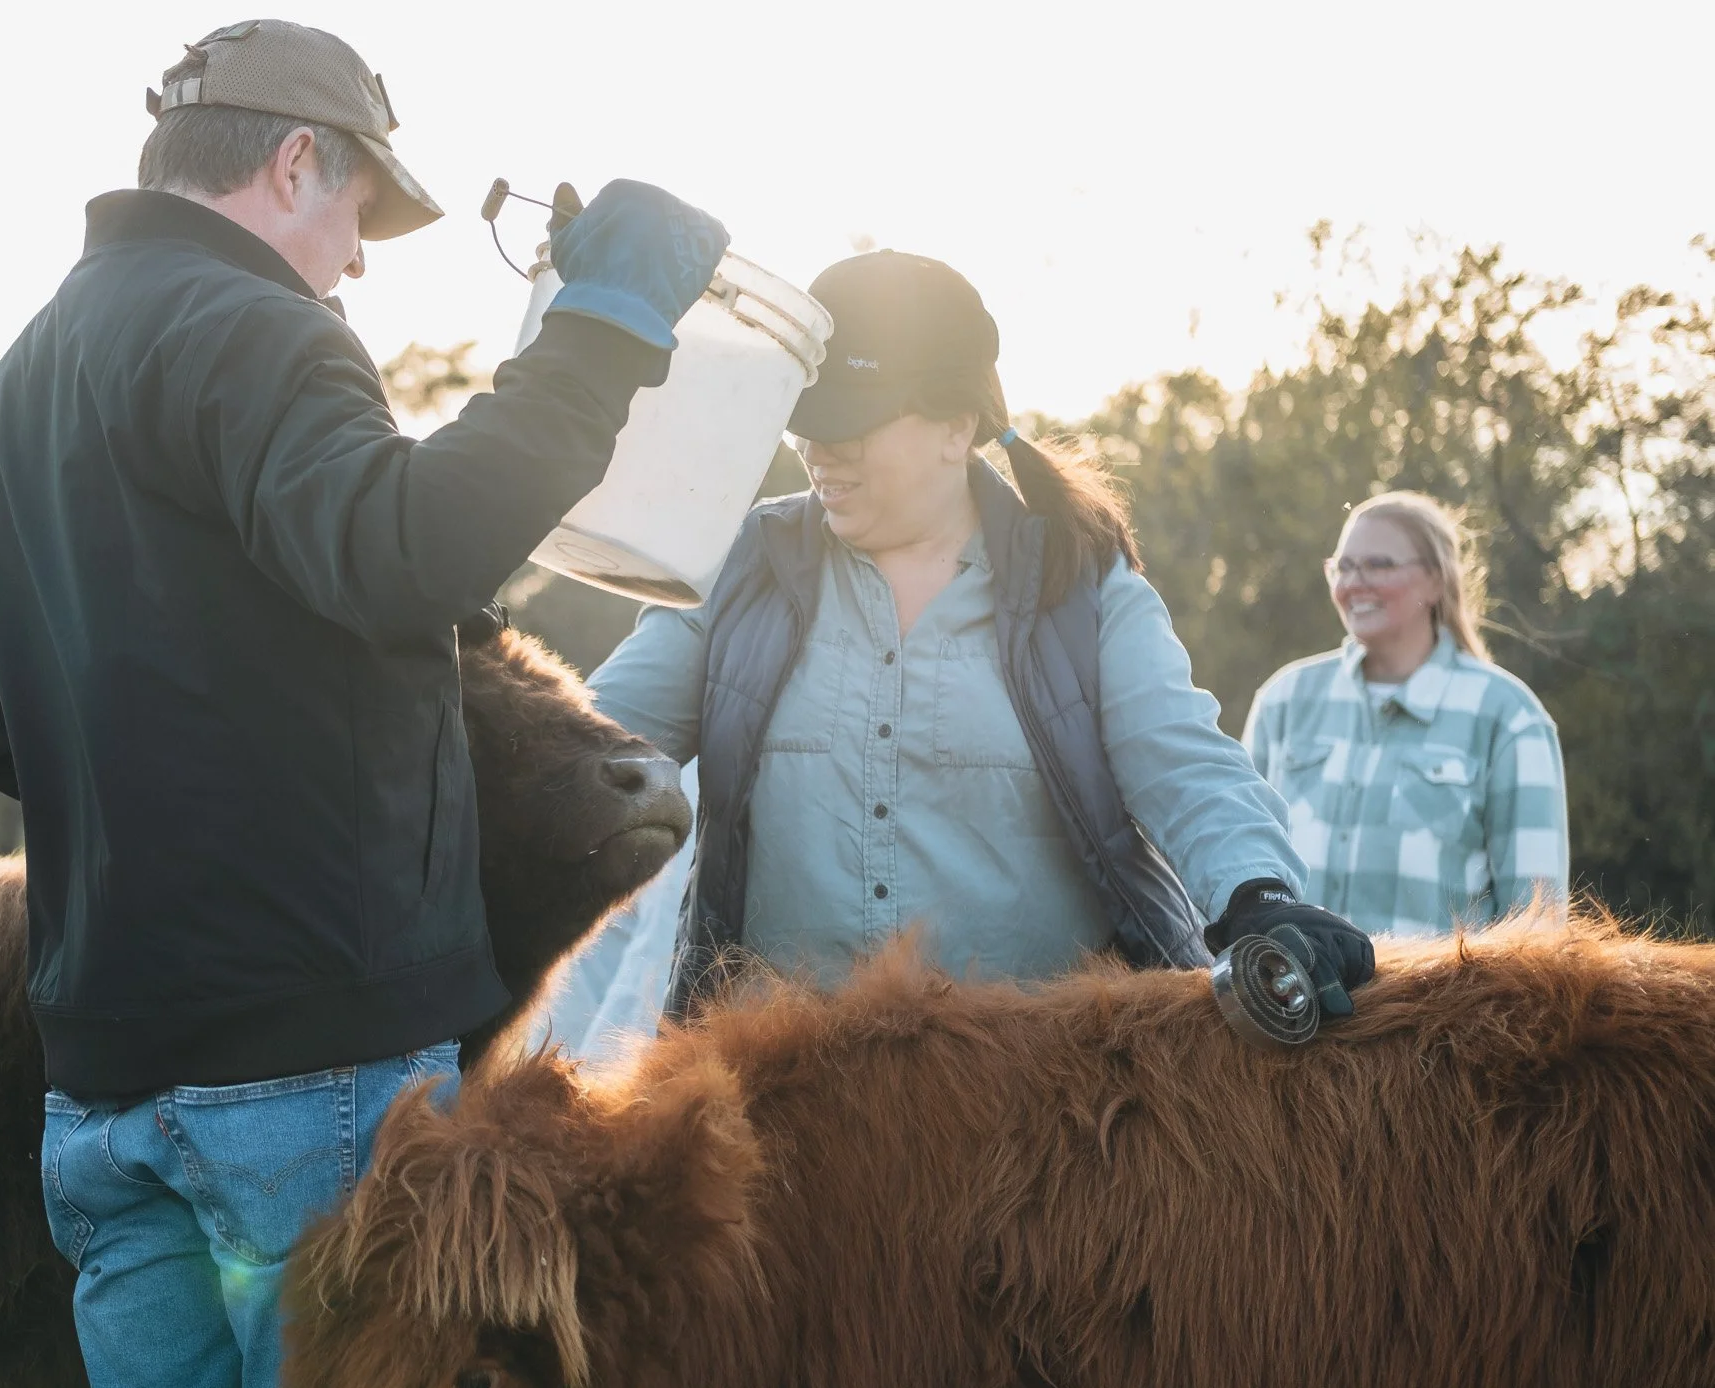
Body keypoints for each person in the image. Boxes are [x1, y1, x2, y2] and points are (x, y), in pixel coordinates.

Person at [0, 19, 726, 1388]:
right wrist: (600, 331)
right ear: (295, 158)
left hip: (106, 1066)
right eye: (360, 203)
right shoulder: (259, 332)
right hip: (306, 1064)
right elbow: (404, 549)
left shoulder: (16, 383)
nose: (359, 255)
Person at [585, 249, 1378, 1020]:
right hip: (784, 1107)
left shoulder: (1079, 582)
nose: (818, 450)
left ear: (955, 427)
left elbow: (1182, 760)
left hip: (1036, 1110)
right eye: (805, 422)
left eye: (851, 422)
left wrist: (1258, 897)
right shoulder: (738, 569)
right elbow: (597, 745)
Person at [1244, 491, 1568, 936]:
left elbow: (1538, 932)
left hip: (1437, 1008)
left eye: (1378, 565)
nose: (1355, 582)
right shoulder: (1283, 702)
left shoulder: (1509, 719)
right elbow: (1239, 874)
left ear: (1436, 581)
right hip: (1288, 1005)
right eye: (1343, 566)